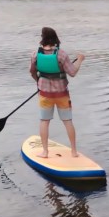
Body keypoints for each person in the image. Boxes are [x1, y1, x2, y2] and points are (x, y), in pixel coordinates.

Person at [29, 27, 85, 158]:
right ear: (55, 38)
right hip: (62, 94)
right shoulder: (61, 54)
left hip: (44, 94)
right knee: (67, 121)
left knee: (44, 121)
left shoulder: (35, 54)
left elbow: (32, 72)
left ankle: (45, 152)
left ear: (42, 38)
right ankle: (74, 152)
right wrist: (80, 60)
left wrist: (38, 82)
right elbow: (72, 72)